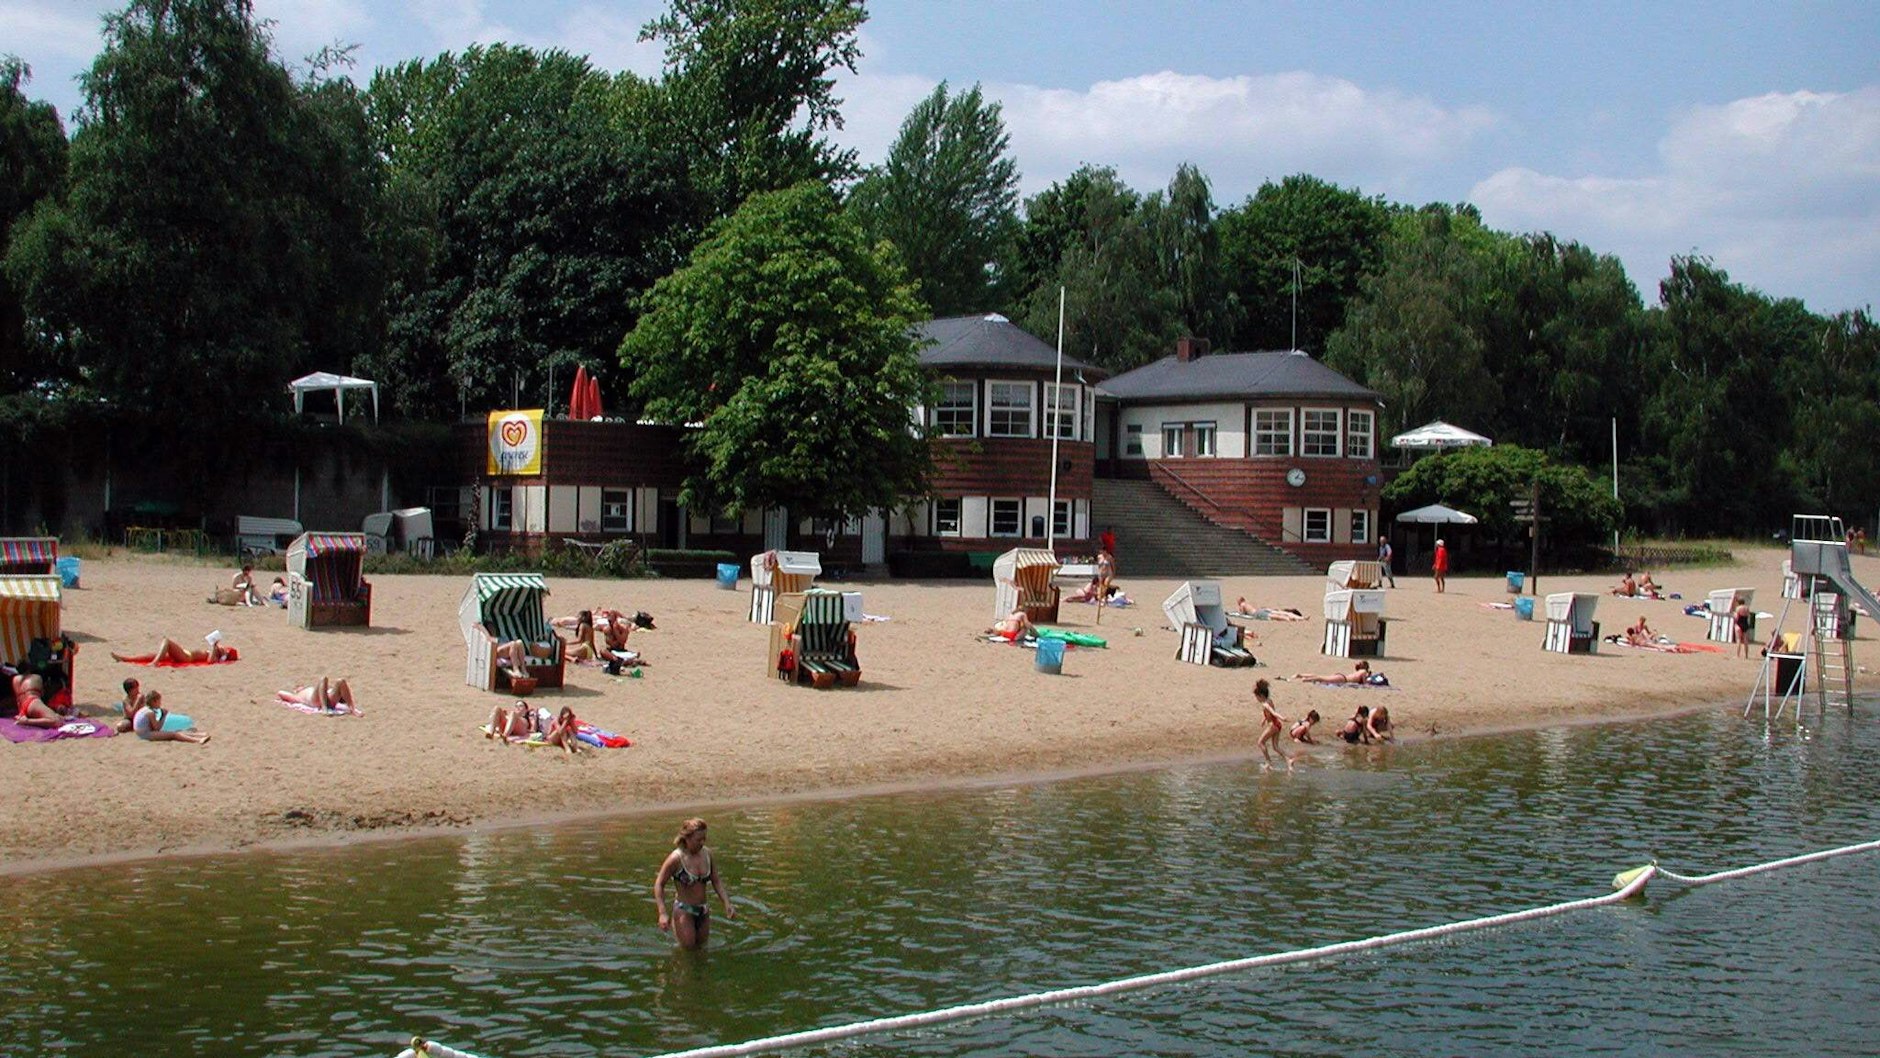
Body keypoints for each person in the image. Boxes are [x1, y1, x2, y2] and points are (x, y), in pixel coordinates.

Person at [654, 818, 736, 950]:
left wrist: (727, 903)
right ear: (687, 838)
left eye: (704, 838)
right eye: (698, 839)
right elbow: (659, 884)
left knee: (702, 950)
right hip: (684, 911)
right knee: (689, 952)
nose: (702, 842)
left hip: (703, 910)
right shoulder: (676, 858)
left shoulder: (707, 854)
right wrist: (662, 913)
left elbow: (716, 881)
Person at [132, 690, 209, 744]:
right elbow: (157, 728)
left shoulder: (145, 709)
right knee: (173, 734)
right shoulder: (150, 713)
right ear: (154, 701)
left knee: (175, 732)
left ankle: (199, 735)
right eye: (159, 701)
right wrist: (163, 716)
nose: (160, 703)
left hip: (141, 732)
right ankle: (197, 740)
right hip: (145, 734)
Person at [112, 636, 236, 665]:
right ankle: (125, 659)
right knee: (151, 655)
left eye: (225, 650)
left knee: (167, 641)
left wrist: (214, 646)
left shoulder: (215, 655)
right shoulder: (216, 652)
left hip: (187, 657)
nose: (222, 647)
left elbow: (210, 661)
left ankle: (154, 663)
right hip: (186, 653)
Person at [277, 677, 361, 715]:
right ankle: (324, 709)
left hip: (327, 699)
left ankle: (352, 709)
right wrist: (295, 693)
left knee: (341, 681)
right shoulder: (297, 696)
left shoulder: (310, 689)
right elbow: (280, 693)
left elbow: (325, 690)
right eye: (298, 687)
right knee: (323, 679)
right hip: (316, 702)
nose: (300, 687)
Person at [1254, 679, 1286, 769]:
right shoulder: (1269, 700)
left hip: (1273, 725)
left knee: (1260, 743)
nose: (1256, 699)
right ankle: (1288, 760)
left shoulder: (1265, 704)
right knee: (1275, 747)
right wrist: (1264, 719)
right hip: (1277, 724)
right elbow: (1271, 713)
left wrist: (1282, 717)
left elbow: (1274, 712)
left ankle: (1268, 762)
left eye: (1256, 697)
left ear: (1261, 695)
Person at [1293, 660, 1388, 686]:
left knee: (1321, 676)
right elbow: (1365, 683)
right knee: (1321, 678)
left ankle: (1301, 675)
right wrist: (1370, 678)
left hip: (1342, 676)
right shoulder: (1363, 672)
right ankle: (1305, 679)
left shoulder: (1359, 671)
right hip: (1343, 679)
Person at [1233, 597, 1308, 621]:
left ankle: (1288, 619)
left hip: (1257, 613)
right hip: (1261, 609)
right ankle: (1301, 618)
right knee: (1281, 612)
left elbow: (1242, 614)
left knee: (1276, 616)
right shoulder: (1248, 603)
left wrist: (1239, 612)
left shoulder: (1242, 605)